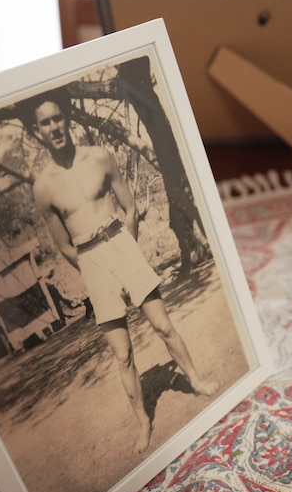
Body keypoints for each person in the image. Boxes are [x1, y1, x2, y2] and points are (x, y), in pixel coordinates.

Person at [24, 88, 218, 453]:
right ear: (38, 131)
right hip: (90, 258)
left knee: (162, 325)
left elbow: (129, 208)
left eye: (57, 118)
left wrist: (125, 250)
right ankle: (143, 421)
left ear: (66, 119)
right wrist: (92, 267)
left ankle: (195, 379)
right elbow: (63, 244)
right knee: (122, 353)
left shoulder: (99, 157)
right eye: (45, 123)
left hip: (119, 242)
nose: (54, 127)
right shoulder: (43, 188)